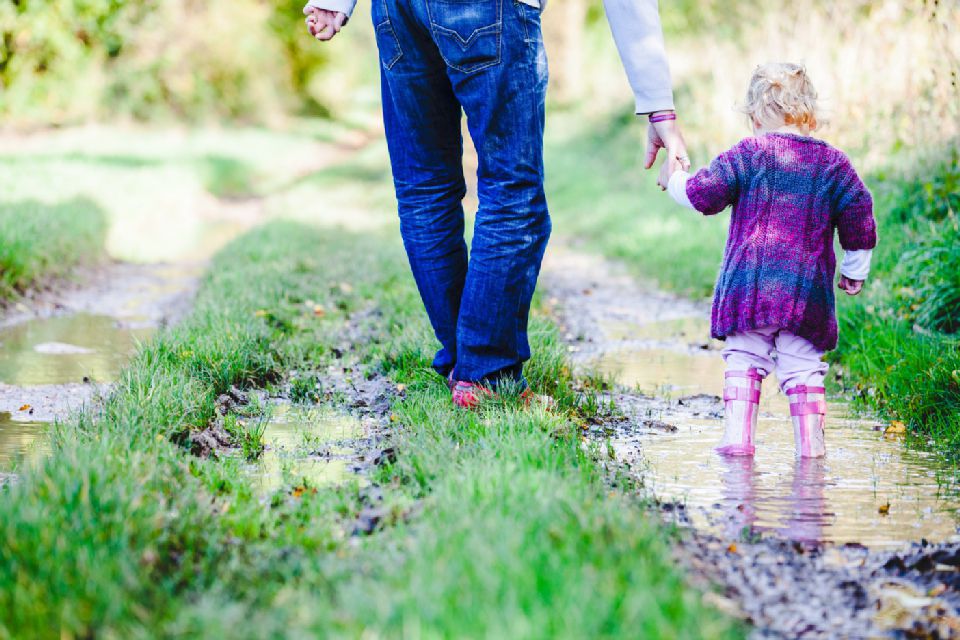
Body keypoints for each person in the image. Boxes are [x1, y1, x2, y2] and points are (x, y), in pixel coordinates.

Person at [303, 0, 689, 407]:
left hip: (397, 11)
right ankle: (486, 373)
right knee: (511, 192)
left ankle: (467, 364)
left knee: (424, 190)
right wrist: (658, 103)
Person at [667, 63, 877, 458]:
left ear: (755, 113)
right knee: (802, 367)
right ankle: (811, 449)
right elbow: (859, 210)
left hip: (749, 292)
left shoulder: (748, 154)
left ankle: (737, 440)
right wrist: (854, 268)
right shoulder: (833, 164)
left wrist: (674, 179)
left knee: (744, 358)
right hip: (806, 297)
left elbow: (703, 194)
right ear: (809, 112)